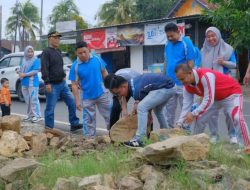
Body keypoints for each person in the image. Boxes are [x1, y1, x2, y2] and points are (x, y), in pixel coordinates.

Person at [175, 64, 250, 154]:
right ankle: (195, 145)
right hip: (215, 98)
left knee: (237, 117)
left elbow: (208, 99)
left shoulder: (205, 75)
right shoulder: (186, 87)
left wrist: (193, 113)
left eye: (182, 79)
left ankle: (246, 147)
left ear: (190, 73)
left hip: (231, 94)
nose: (181, 82)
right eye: (179, 80)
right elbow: (186, 106)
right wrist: (180, 123)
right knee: (200, 119)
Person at [109, 73, 175, 148]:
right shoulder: (132, 83)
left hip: (165, 87)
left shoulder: (136, 90)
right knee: (158, 110)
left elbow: (145, 108)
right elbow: (148, 104)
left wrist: (149, 117)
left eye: (118, 93)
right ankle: (165, 135)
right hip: (169, 86)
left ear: (124, 86)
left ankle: (140, 139)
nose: (119, 95)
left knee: (141, 107)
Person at [201, 26, 237, 144]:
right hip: (210, 86)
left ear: (218, 35)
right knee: (211, 112)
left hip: (225, 85)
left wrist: (223, 62)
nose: (211, 38)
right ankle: (214, 135)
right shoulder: (203, 50)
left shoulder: (227, 49)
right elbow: (198, 66)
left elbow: (234, 65)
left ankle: (232, 135)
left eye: (213, 35)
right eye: (208, 36)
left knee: (229, 112)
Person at [41, 31, 81, 131]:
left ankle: (74, 123)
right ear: (50, 39)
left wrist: (63, 76)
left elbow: (59, 66)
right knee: (50, 108)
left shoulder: (58, 51)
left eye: (59, 38)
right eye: (55, 38)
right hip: (52, 85)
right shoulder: (46, 52)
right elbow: (44, 68)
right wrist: (47, 83)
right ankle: (49, 128)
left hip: (62, 84)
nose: (58, 40)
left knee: (71, 102)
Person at [69, 41, 110, 137]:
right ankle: (89, 140)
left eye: (85, 52)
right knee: (88, 119)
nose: (83, 55)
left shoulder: (97, 58)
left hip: (102, 93)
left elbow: (104, 72)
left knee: (109, 115)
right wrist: (77, 101)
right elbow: (74, 85)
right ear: (76, 53)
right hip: (87, 97)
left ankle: (114, 134)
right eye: (80, 53)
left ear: (88, 50)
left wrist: (110, 87)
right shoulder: (75, 66)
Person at [163, 22, 195, 128]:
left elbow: (190, 62)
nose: (170, 38)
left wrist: (190, 80)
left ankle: (186, 130)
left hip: (183, 83)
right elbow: (166, 61)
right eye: (168, 36)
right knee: (169, 109)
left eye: (172, 35)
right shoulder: (167, 43)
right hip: (169, 82)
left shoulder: (187, 43)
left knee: (185, 107)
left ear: (178, 32)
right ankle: (169, 130)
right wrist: (163, 77)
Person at [18, 46, 42, 122]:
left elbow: (35, 71)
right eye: (28, 51)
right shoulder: (24, 60)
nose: (30, 53)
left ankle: (37, 116)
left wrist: (24, 75)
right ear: (25, 52)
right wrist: (19, 72)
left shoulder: (36, 60)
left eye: (31, 51)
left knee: (33, 99)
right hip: (24, 83)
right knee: (27, 100)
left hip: (32, 83)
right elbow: (21, 69)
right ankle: (30, 115)